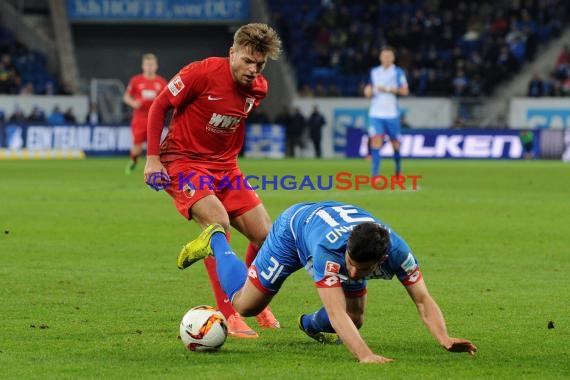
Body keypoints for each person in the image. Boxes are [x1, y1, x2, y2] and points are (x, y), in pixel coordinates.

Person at [177, 201, 478, 363]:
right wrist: (365, 355)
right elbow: (335, 312)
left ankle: (308, 324)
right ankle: (215, 238)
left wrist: (445, 338)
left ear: (380, 260)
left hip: (323, 223)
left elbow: (423, 300)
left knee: (356, 319)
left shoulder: (398, 251)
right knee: (246, 306)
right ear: (347, 249)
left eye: (362, 269)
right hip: (293, 232)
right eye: (351, 265)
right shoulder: (329, 252)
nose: (354, 273)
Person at [144, 23, 282, 338]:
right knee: (218, 223)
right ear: (232, 53)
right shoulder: (201, 72)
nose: (253, 70)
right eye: (247, 61)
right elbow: (160, 106)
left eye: (259, 65)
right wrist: (153, 159)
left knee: (268, 239)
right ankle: (230, 313)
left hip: (227, 169)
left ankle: (253, 300)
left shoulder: (259, 88)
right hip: (183, 162)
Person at [364, 46, 409, 177]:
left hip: (391, 113)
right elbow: (369, 88)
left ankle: (398, 169)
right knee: (376, 141)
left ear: (393, 58)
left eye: (389, 56)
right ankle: (375, 175)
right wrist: (367, 91)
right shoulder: (374, 72)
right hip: (376, 113)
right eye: (384, 56)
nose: (387, 59)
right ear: (380, 57)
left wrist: (388, 89)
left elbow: (405, 91)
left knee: (395, 143)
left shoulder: (398, 72)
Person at [123, 53, 167, 175]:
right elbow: (126, 97)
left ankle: (159, 167)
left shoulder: (161, 82)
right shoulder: (136, 81)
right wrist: (133, 103)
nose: (149, 67)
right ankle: (134, 161)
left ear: (156, 66)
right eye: (147, 64)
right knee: (137, 147)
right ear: (143, 66)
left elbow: (167, 98)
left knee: (158, 146)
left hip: (155, 118)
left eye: (151, 64)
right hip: (139, 119)